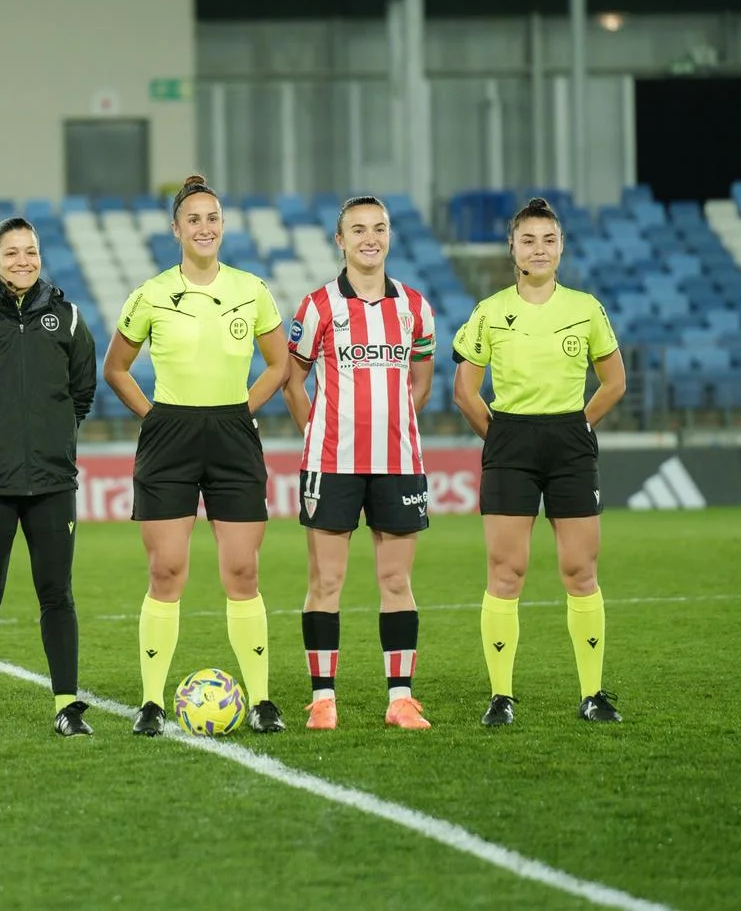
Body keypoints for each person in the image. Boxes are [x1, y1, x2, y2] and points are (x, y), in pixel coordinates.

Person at [103, 174, 291, 736]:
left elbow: (279, 365)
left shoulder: (252, 289)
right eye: (194, 220)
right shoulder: (152, 293)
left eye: (212, 219)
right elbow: (115, 368)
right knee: (166, 570)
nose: (204, 228)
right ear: (176, 230)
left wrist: (243, 408)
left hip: (232, 433)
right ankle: (152, 703)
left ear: (222, 226)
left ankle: (260, 701)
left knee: (242, 569)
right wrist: (154, 416)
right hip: (170, 437)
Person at [451, 196, 628, 727]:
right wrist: (500, 435)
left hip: (570, 441)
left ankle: (593, 693)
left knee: (581, 569)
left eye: (549, 240)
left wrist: (581, 424)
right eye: (528, 240)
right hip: (511, 444)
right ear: (513, 248)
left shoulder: (586, 308)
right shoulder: (490, 311)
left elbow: (615, 380)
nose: (539, 249)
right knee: (507, 572)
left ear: (561, 247)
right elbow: (464, 391)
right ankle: (501, 696)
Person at [0, 216, 98, 740]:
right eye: (11, 253)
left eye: (30, 252)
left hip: (52, 483)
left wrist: (51, 442)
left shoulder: (69, 320)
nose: (22, 261)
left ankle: (68, 707)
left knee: (59, 595)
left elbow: (82, 393)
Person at [282, 196, 436, 733]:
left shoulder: (415, 305)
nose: (370, 238)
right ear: (340, 241)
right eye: (358, 230)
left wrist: (395, 423)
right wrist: (318, 429)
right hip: (332, 463)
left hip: (399, 463)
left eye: (379, 228)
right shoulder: (317, 306)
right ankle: (323, 699)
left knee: (396, 580)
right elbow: (292, 380)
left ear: (389, 235)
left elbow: (421, 378)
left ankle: (401, 699)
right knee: (327, 580)